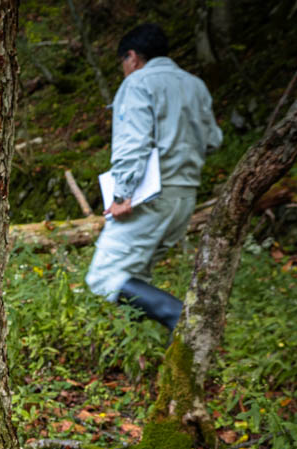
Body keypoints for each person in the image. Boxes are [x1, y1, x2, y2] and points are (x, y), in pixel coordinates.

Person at [85, 23, 222, 331]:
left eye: (123, 63)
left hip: (148, 198)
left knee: (104, 276)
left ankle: (185, 321)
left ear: (132, 57)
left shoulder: (138, 84)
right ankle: (149, 354)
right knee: (136, 277)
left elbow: (132, 144)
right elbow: (213, 139)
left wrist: (121, 195)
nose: (124, 70)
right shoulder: (195, 85)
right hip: (184, 198)